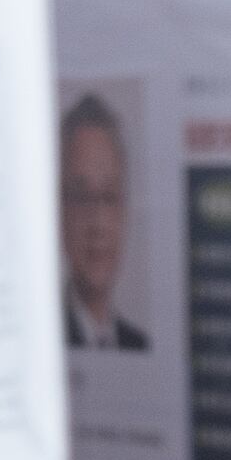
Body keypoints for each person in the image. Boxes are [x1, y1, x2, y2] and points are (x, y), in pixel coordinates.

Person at [61, 94, 147, 350]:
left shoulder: (138, 344)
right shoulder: (41, 343)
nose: (98, 224)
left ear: (125, 211)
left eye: (109, 197)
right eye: (81, 197)